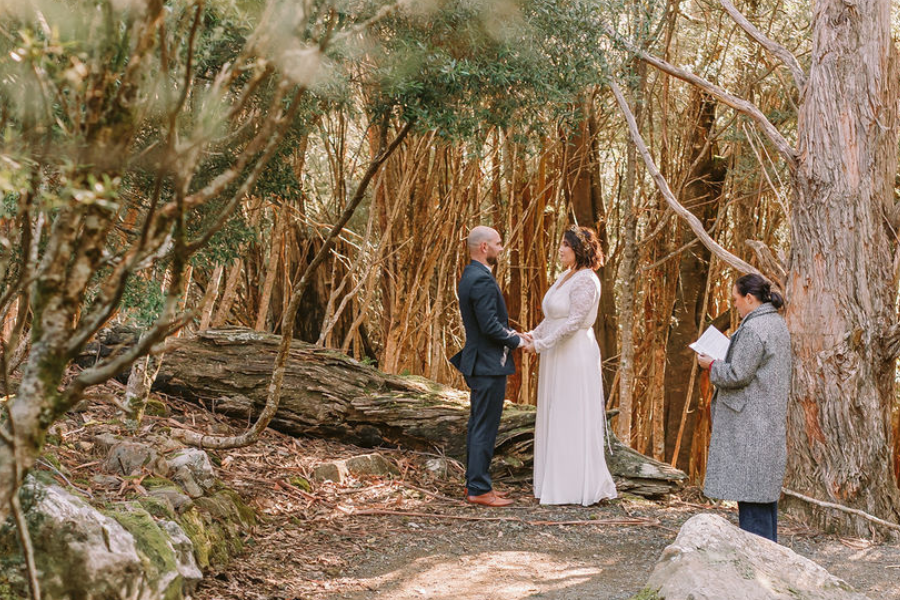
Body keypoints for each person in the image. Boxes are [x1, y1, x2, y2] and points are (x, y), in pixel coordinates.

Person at [697, 273, 791, 543]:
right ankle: (769, 559)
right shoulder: (775, 323)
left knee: (751, 502)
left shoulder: (753, 329)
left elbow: (738, 374)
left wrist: (711, 365)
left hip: (750, 424)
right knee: (763, 499)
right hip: (765, 420)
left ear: (749, 298)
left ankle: (756, 564)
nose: (735, 305)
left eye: (736, 299)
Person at [526, 226, 617, 506]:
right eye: (562, 244)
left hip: (574, 352)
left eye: (566, 245)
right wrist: (532, 336)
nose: (561, 249)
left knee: (570, 412)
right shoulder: (565, 276)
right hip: (556, 351)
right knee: (554, 410)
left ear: (580, 249)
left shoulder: (586, 280)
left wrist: (541, 345)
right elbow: (553, 318)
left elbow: (574, 321)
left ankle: (574, 486)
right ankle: (553, 482)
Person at [450, 226, 532, 508]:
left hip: (481, 362)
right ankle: (479, 489)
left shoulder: (471, 274)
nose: (501, 247)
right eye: (497, 243)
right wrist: (516, 341)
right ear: (484, 247)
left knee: (479, 425)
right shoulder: (481, 279)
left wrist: (514, 333)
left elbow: (487, 322)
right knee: (484, 427)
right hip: (487, 364)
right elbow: (488, 326)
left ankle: (476, 484)